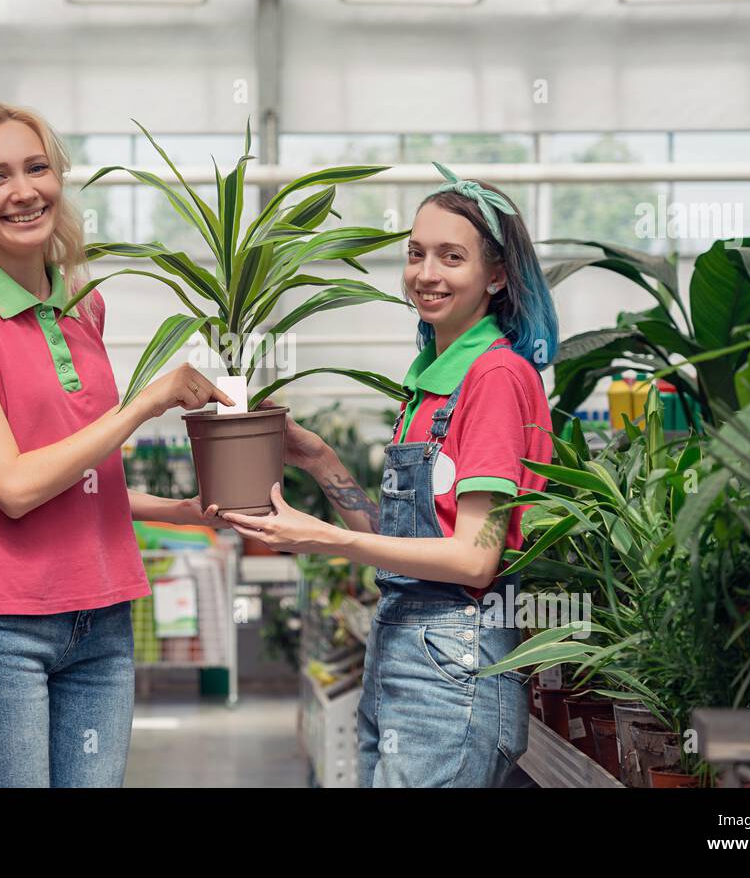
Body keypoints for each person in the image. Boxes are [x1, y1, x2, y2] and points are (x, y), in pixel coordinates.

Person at [0, 102, 232, 787]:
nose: (24, 190)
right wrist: (144, 401)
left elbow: (78, 474)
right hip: (2, 628)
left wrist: (180, 511)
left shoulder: (85, 306)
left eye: (37, 167)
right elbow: (16, 485)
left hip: (102, 619)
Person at [221, 165, 558, 787]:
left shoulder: (494, 377)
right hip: (402, 644)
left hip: (455, 656)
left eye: (451, 257)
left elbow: (473, 560)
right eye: (416, 253)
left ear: (497, 274)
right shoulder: (428, 387)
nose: (426, 273)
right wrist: (320, 459)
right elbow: (400, 543)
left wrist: (327, 540)